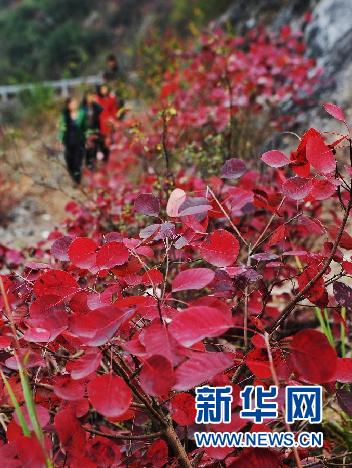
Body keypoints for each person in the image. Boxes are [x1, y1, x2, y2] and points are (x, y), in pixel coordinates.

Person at [59, 97, 87, 184]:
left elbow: (85, 127)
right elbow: (62, 128)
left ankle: (77, 181)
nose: (74, 105)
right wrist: (60, 139)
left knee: (77, 162)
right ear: (68, 105)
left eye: (75, 103)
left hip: (79, 141)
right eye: (72, 103)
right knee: (69, 162)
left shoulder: (82, 114)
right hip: (68, 141)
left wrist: (87, 139)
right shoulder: (65, 115)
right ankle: (74, 178)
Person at [80, 91, 109, 169]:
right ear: (85, 98)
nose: (90, 98)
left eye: (91, 97)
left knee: (100, 147)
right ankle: (89, 165)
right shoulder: (82, 108)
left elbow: (103, 114)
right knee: (89, 149)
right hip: (86, 132)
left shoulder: (96, 106)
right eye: (88, 97)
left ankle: (101, 164)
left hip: (96, 130)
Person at [95, 84, 118, 162]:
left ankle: (110, 160)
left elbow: (114, 112)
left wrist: (114, 121)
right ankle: (102, 158)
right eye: (102, 89)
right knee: (101, 142)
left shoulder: (111, 99)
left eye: (105, 88)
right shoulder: (97, 99)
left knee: (110, 142)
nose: (104, 90)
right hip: (100, 123)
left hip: (109, 123)